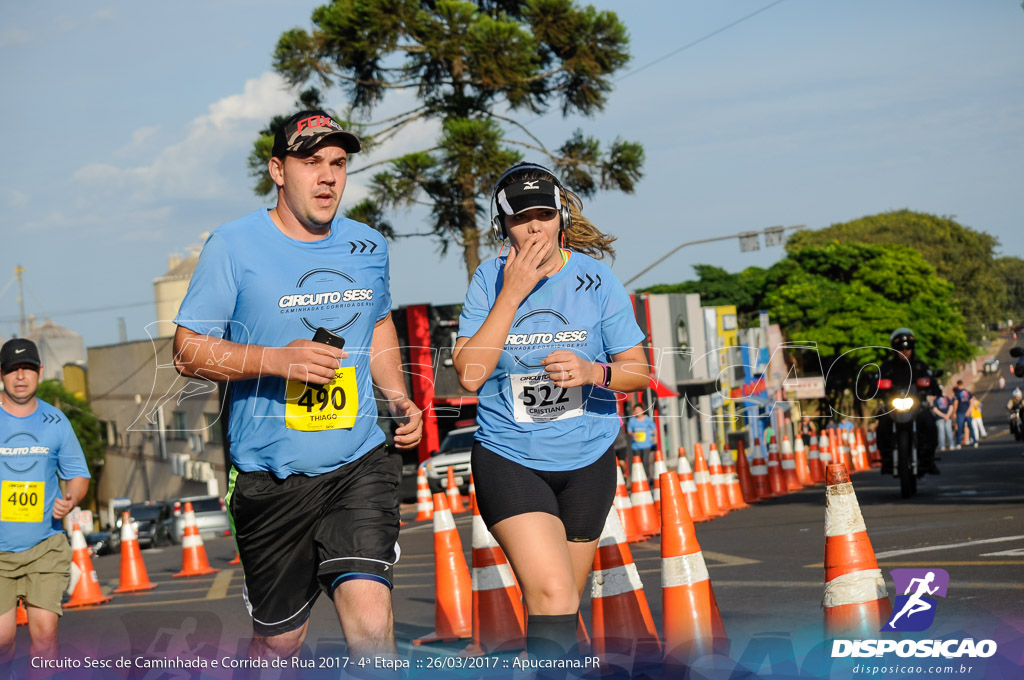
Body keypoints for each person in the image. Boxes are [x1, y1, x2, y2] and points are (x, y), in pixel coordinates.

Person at [172, 110, 423, 661]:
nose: (328, 176)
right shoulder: (232, 246)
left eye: (338, 163)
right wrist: (275, 360)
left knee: (371, 615)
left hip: (357, 463)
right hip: (270, 478)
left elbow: (377, 323)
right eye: (312, 163)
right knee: (280, 642)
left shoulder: (368, 246)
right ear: (278, 170)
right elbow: (188, 350)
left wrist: (398, 395)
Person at [453, 162, 649, 660]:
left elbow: (639, 372)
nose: (534, 226)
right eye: (521, 218)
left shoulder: (595, 279)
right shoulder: (488, 279)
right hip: (511, 457)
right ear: (504, 225)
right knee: (554, 593)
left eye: (544, 213)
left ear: (560, 215)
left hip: (589, 460)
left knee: (560, 605)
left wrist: (592, 372)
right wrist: (513, 290)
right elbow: (470, 374)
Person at [0, 339, 91, 675]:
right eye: (11, 369)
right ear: (1, 375)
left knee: (45, 635)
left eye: (27, 369)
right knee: (3, 640)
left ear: (40, 372)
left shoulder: (56, 422)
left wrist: (71, 499)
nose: (20, 376)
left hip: (45, 547)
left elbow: (78, 474)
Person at [876, 328, 940, 475]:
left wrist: (934, 388)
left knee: (929, 422)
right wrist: (874, 388)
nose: (905, 351)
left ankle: (928, 458)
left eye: (908, 347)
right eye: (900, 348)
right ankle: (886, 459)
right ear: (894, 349)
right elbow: (876, 382)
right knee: (882, 425)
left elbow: (931, 380)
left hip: (916, 407)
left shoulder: (920, 366)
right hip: (893, 407)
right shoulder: (887, 368)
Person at [626, 403, 657, 476]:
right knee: (638, 462)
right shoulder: (632, 421)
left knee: (645, 461)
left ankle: (647, 476)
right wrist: (633, 434)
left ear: (643, 410)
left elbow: (654, 429)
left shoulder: (648, 420)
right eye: (636, 410)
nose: (637, 412)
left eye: (639, 410)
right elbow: (629, 431)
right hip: (636, 445)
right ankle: (640, 476)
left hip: (646, 444)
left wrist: (655, 438)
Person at [952, 380, 975, 448]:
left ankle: (958, 443)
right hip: (967, 412)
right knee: (970, 427)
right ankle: (975, 441)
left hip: (960, 412)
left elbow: (956, 403)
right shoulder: (967, 392)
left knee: (960, 428)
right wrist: (968, 411)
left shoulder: (957, 393)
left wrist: (954, 413)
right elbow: (972, 402)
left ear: (958, 385)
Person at [931, 387, 955, 452]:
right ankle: (951, 444)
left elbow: (935, 409)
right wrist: (947, 415)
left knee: (941, 432)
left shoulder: (936, 400)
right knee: (948, 431)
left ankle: (942, 446)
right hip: (946, 418)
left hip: (940, 418)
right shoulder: (947, 398)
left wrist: (944, 415)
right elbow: (951, 407)